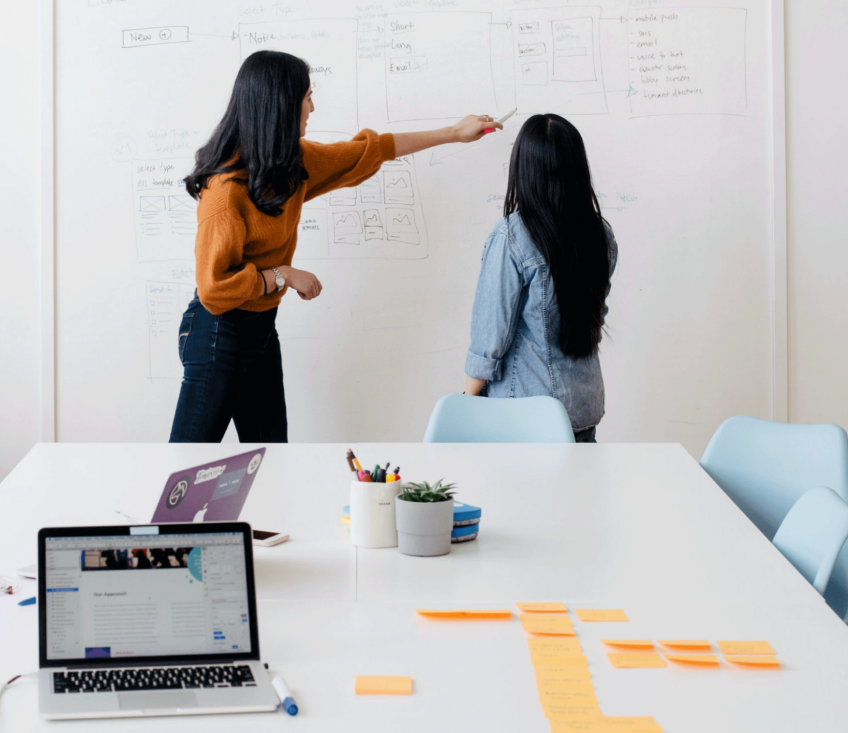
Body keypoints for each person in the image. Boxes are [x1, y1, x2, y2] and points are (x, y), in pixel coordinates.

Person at [171, 50, 503, 443]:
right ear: (281, 106)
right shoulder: (224, 194)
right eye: (307, 97)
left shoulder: (290, 165)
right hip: (216, 333)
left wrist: (454, 132)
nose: (312, 107)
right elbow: (213, 290)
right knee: (189, 465)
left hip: (259, 329)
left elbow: (370, 150)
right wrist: (282, 275)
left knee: (272, 459)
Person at [463, 114, 617, 443]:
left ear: (525, 167)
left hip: (525, 413)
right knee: (576, 495)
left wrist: (466, 401)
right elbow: (594, 318)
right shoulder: (599, 233)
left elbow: (491, 336)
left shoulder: (512, 235)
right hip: (582, 407)